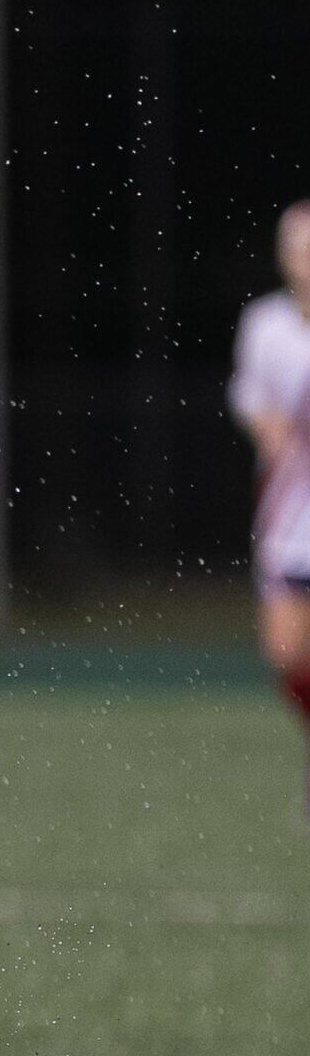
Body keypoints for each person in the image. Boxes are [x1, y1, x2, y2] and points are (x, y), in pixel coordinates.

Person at [230, 200, 310, 813]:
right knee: (284, 652)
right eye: (297, 246)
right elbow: (251, 401)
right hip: (289, 513)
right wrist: (272, 429)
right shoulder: (266, 323)